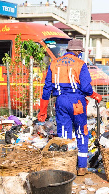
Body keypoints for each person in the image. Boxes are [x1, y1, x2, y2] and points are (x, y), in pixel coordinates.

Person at [37, 39, 102, 176]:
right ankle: (82, 167)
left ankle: (66, 166)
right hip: (77, 102)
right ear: (78, 52)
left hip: (60, 102)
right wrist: (95, 95)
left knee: (64, 133)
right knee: (81, 131)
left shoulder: (54, 63)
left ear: (68, 50)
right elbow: (85, 88)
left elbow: (47, 88)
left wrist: (42, 111)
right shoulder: (80, 64)